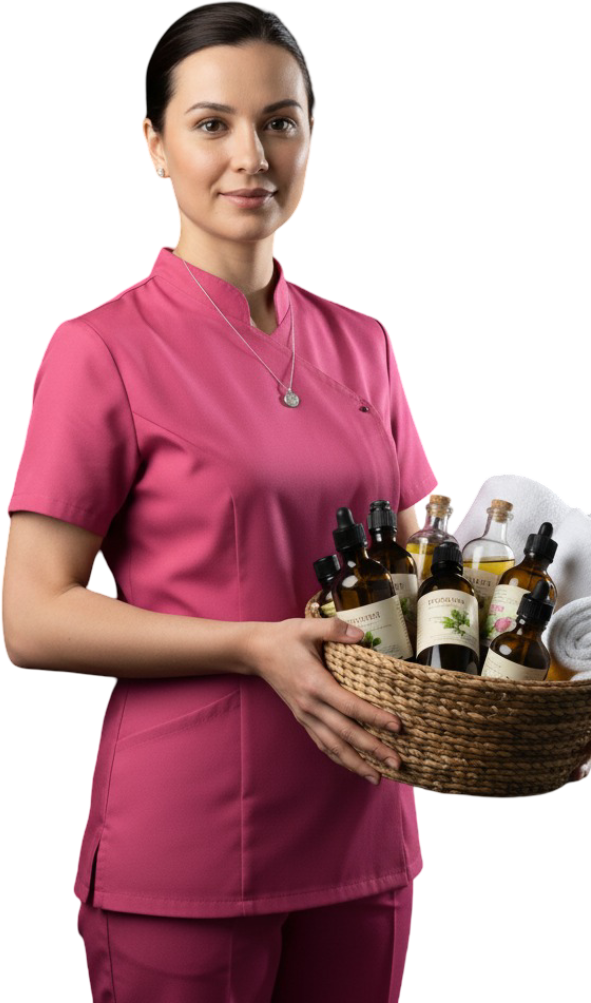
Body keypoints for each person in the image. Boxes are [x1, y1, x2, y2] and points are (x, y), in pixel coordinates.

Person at [2, 5, 440, 1002]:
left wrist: (542, 686)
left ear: (314, 134)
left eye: (280, 122)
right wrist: (250, 642)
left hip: (367, 828)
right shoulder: (98, 349)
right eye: (212, 124)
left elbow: (429, 576)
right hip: (190, 845)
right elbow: (29, 617)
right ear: (155, 147)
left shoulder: (363, 343)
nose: (253, 156)